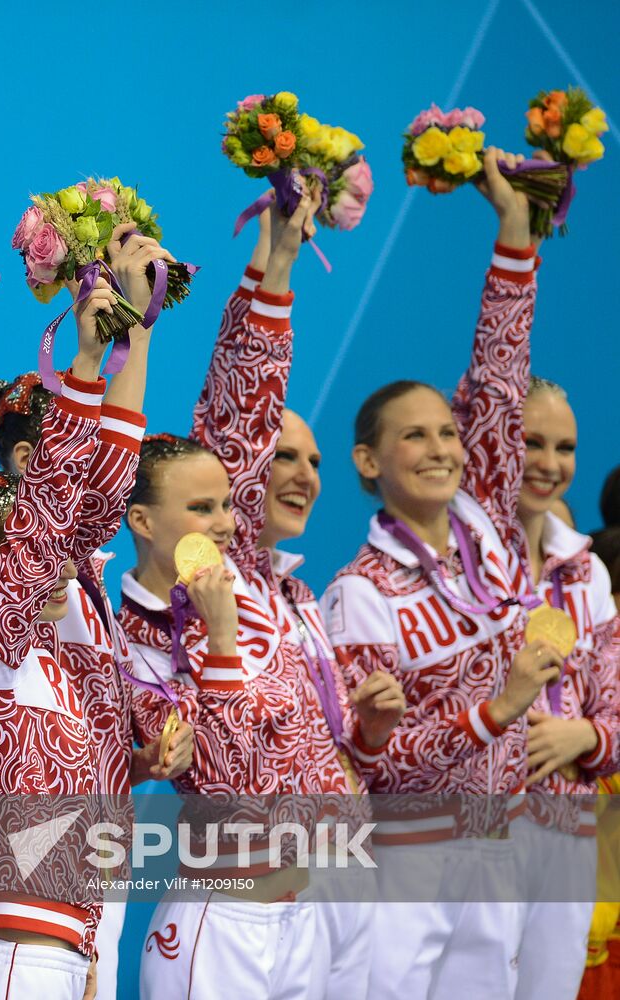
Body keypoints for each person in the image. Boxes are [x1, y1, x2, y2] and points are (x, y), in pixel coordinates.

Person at [321, 148, 558, 999]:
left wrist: (513, 227)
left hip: (500, 840)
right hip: (409, 858)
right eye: (414, 436)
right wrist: (496, 713)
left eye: (447, 433)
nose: (441, 446)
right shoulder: (359, 595)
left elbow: (498, 372)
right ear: (367, 460)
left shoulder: (488, 522)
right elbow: (374, 760)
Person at [0, 230, 193, 1000]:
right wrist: (110, 352)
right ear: (39, 462)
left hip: (80, 926)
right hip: (15, 934)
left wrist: (135, 760)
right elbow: (85, 498)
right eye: (79, 441)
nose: (108, 473)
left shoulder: (91, 595)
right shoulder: (7, 590)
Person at [228, 208, 404, 1000]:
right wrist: (278, 267)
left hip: (342, 866)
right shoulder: (219, 576)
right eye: (283, 456)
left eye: (314, 461)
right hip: (262, 881)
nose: (304, 475)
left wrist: (367, 732)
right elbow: (239, 401)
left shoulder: (299, 597)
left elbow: (336, 756)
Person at [510, 377, 620, 998]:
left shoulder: (588, 575)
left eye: (566, 447)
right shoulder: (447, 566)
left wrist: (583, 734)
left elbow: (617, 712)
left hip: (568, 837)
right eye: (532, 442)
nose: (551, 464)